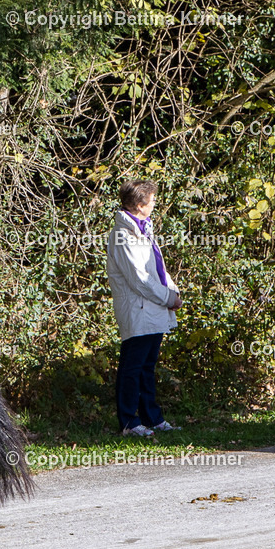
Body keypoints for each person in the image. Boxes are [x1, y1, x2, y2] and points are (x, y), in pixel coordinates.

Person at [106, 180, 182, 437]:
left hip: (152, 306)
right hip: (138, 308)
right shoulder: (123, 234)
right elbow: (139, 278)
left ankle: (152, 417)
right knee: (132, 367)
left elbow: (157, 267)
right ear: (140, 205)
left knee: (147, 366)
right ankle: (129, 422)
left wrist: (172, 292)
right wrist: (168, 298)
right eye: (152, 200)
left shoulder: (142, 228)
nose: (155, 204)